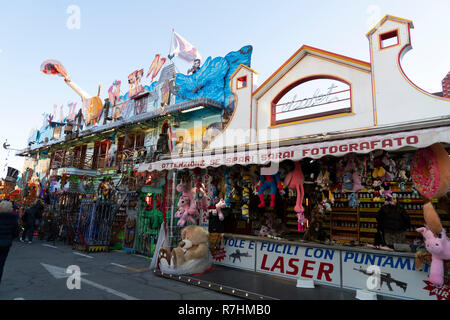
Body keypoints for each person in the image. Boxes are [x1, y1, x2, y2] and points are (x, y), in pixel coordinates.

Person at [0, 200, 19, 284]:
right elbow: (16, 233)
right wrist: (10, 238)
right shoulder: (14, 219)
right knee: (1, 264)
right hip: (6, 244)